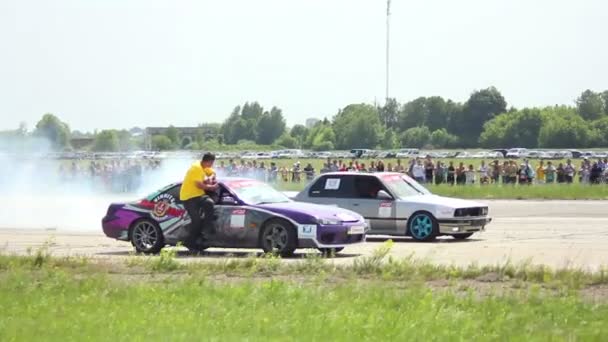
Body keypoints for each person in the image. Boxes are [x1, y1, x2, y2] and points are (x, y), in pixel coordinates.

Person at [179, 153, 218, 246]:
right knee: (196, 221)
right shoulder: (196, 168)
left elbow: (212, 172)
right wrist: (211, 187)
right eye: (212, 163)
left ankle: (206, 228)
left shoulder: (203, 166)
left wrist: (211, 177)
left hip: (198, 195)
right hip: (189, 197)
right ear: (208, 161)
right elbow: (199, 185)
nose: (212, 165)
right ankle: (189, 242)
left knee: (209, 203)